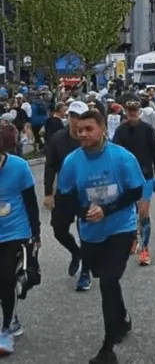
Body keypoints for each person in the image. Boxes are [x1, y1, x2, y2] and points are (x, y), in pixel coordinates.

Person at [56, 110, 145, 364]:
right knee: (108, 281)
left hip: (120, 227)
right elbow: (65, 197)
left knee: (108, 280)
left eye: (88, 129)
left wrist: (107, 209)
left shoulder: (122, 158)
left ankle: (107, 348)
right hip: (91, 233)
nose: (82, 134)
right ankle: (123, 319)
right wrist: (81, 211)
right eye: (79, 129)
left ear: (103, 129)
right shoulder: (72, 162)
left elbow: (135, 190)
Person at [0, 125, 41, 356]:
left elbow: (30, 203)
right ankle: (11, 315)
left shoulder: (19, 167)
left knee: (5, 278)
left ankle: (5, 329)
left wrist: (36, 234)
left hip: (15, 232)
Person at [43, 100, 92, 291]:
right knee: (58, 230)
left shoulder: (89, 139)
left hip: (86, 194)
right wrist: (48, 192)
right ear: (67, 117)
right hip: (64, 193)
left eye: (79, 117)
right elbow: (50, 166)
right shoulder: (58, 138)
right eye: (72, 116)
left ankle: (86, 273)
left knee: (86, 233)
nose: (75, 121)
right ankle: (76, 252)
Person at [112, 101, 155, 265]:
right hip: (126, 178)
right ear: (126, 112)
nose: (132, 113)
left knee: (143, 212)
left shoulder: (147, 130)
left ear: (139, 112)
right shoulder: (120, 130)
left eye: (135, 110)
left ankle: (145, 248)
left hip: (145, 175)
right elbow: (114, 153)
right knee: (129, 212)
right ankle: (133, 239)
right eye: (130, 110)